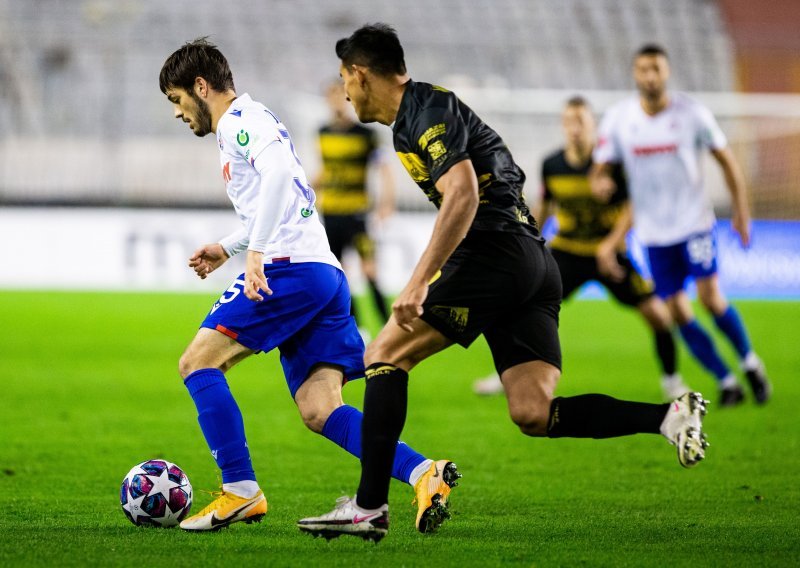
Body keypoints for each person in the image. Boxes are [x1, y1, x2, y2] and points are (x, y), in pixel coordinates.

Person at [297, 24, 709, 543]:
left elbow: (463, 192)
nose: (346, 91)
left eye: (345, 79)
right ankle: (667, 418)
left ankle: (369, 506)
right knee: (533, 412)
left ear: (360, 73)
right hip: (534, 261)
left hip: (495, 252)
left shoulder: (426, 110)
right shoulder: (418, 116)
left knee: (384, 353)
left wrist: (419, 281)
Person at [158, 38, 458, 534]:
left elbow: (278, 176)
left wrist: (254, 252)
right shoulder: (254, 120)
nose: (177, 112)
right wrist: (230, 247)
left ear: (200, 86)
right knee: (320, 409)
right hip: (320, 272)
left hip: (288, 269)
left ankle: (240, 490)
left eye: (176, 100)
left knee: (197, 363)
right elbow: (294, 193)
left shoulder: (239, 121)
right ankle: (424, 473)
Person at [590, 44, 771, 407]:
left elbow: (728, 162)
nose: (650, 76)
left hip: (695, 225)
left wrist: (741, 211)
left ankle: (750, 362)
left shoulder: (692, 114)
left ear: (667, 72)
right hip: (654, 233)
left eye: (656, 68)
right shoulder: (619, 120)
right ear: (635, 74)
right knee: (676, 311)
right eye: (643, 69)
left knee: (710, 298)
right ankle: (726, 381)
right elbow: (600, 169)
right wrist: (601, 183)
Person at [474, 96, 689, 400]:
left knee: (657, 315)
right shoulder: (552, 165)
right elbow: (544, 209)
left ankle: (672, 382)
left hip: (609, 254)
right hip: (567, 252)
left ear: (593, 126)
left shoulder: (612, 165)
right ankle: (508, 376)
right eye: (569, 122)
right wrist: (525, 240)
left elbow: (632, 210)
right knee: (519, 308)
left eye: (581, 122)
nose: (574, 128)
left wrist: (610, 245)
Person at [313, 80, 395, 331]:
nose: (336, 101)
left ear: (348, 100)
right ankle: (357, 330)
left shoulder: (366, 135)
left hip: (357, 213)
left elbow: (384, 169)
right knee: (340, 276)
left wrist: (386, 204)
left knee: (370, 271)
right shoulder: (323, 132)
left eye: (341, 96)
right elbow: (326, 172)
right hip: (332, 213)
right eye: (332, 96)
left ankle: (389, 328)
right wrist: (303, 192)